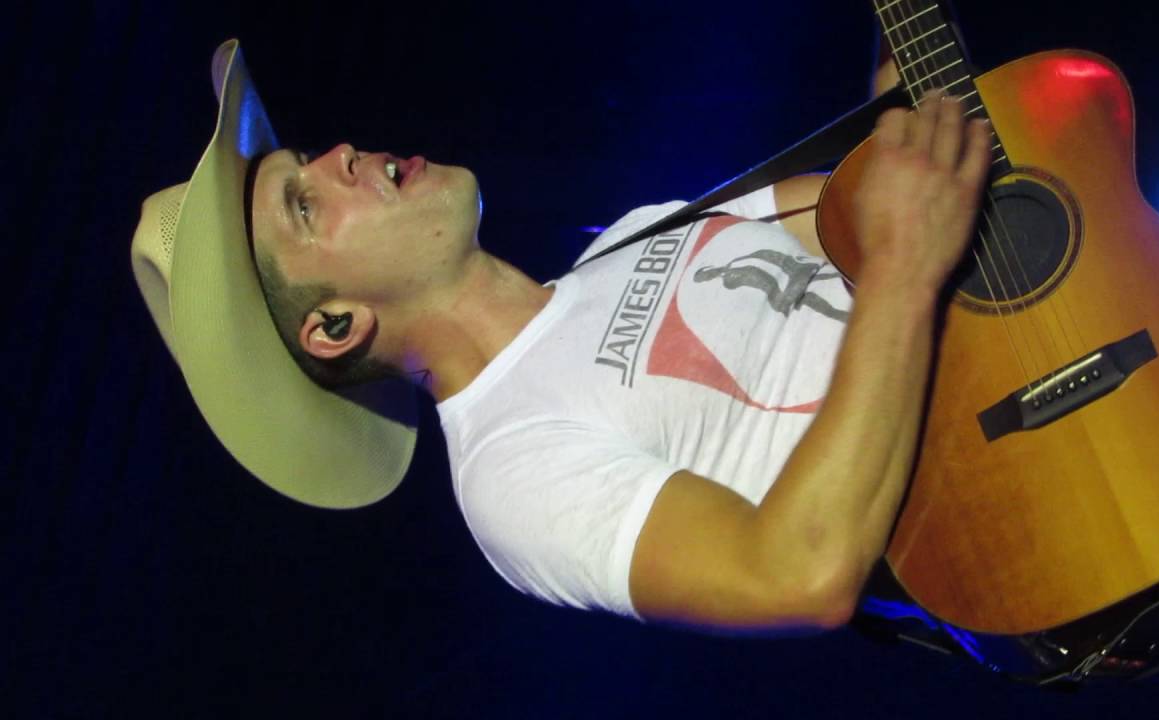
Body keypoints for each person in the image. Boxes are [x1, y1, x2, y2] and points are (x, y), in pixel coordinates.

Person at [131, 39, 990, 635]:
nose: (340, 154)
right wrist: (903, 272)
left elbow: (895, 198)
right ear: (335, 326)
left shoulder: (635, 233)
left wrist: (908, 96)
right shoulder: (509, 471)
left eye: (308, 159)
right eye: (305, 204)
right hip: (1017, 505)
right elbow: (797, 576)